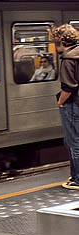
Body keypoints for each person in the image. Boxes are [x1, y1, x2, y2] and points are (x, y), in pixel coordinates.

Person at [51, 24, 79, 190]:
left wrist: (61, 102)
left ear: (62, 42)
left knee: (73, 141)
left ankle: (77, 179)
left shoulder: (68, 59)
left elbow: (68, 87)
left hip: (74, 104)